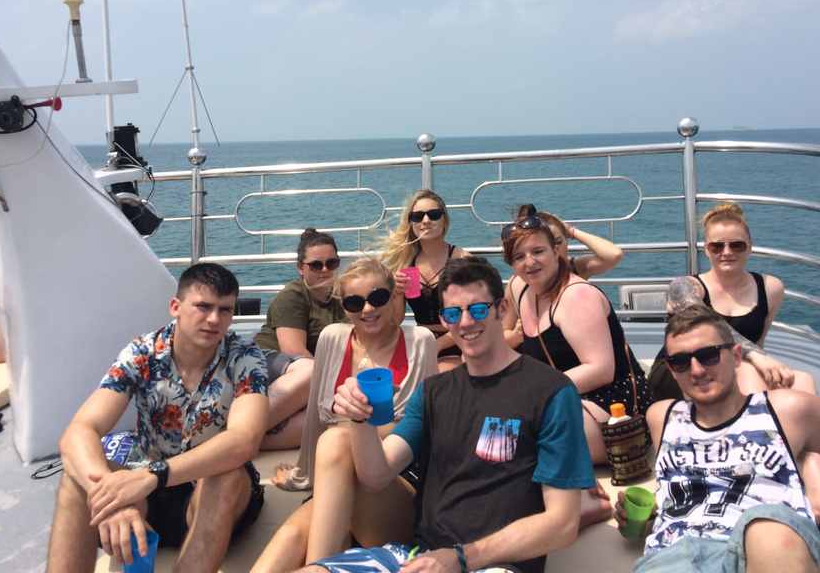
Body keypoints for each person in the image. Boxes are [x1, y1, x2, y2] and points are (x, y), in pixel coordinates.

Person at [298, 256, 595, 573]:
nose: (465, 322)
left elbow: (562, 524)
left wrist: (460, 558)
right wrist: (360, 418)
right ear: (444, 319)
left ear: (502, 309)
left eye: (478, 309)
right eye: (453, 313)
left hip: (493, 564)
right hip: (417, 555)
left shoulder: (550, 392)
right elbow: (376, 477)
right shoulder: (432, 393)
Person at [615, 304, 820, 573]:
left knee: (766, 531)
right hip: (675, 555)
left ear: (736, 356)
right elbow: (680, 491)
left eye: (709, 355)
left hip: (769, 547)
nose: (696, 370)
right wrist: (646, 515)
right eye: (681, 361)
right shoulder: (662, 417)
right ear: (671, 369)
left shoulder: (788, 411)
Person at [45, 263, 269, 572]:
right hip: (145, 496)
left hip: (210, 495)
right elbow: (80, 431)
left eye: (225, 310)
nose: (214, 319)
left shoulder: (244, 356)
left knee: (227, 476)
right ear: (176, 307)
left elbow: (245, 440)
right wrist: (110, 496)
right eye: (203, 307)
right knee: (77, 479)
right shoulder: (142, 353)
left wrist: (152, 476)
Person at [659, 201, 820, 534]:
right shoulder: (685, 287)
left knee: (802, 381)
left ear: (750, 246)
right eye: (716, 246)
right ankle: (757, 480)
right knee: (749, 372)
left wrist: (761, 363)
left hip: (735, 367)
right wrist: (758, 359)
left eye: (736, 245)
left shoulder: (770, 288)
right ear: (706, 249)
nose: (727, 252)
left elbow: (757, 342)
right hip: (686, 370)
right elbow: (715, 330)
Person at [254, 257, 437, 573]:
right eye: (355, 302)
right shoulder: (333, 338)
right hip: (335, 482)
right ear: (344, 306)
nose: (367, 309)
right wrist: (303, 475)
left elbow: (431, 427)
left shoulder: (420, 342)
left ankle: (318, 568)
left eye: (377, 297)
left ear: (394, 294)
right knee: (288, 539)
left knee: (337, 438)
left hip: (392, 487)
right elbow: (316, 419)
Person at [502, 214, 651, 467]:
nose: (530, 262)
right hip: (556, 395)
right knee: (496, 427)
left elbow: (601, 370)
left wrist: (532, 391)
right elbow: (505, 336)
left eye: (538, 251)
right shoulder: (520, 287)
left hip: (614, 404)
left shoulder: (577, 297)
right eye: (519, 256)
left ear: (555, 252)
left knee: (525, 439)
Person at [254, 229, 348, 450]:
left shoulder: (341, 296)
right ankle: (238, 435)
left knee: (332, 417)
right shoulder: (292, 297)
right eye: (316, 265)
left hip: (309, 376)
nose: (325, 270)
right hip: (269, 364)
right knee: (311, 373)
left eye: (331, 263)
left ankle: (248, 442)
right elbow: (293, 351)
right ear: (300, 267)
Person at [501, 205, 623, 349]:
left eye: (558, 242)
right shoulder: (518, 285)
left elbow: (614, 255)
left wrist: (571, 230)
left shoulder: (576, 270)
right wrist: (516, 335)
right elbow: (505, 334)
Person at [379, 190, 470, 372]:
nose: (426, 221)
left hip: (457, 339)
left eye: (434, 215)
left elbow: (473, 316)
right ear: (411, 223)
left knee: (433, 377)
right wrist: (396, 293)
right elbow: (397, 320)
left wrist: (439, 344)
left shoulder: (462, 260)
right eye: (418, 216)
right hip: (420, 339)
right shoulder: (405, 263)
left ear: (445, 220)